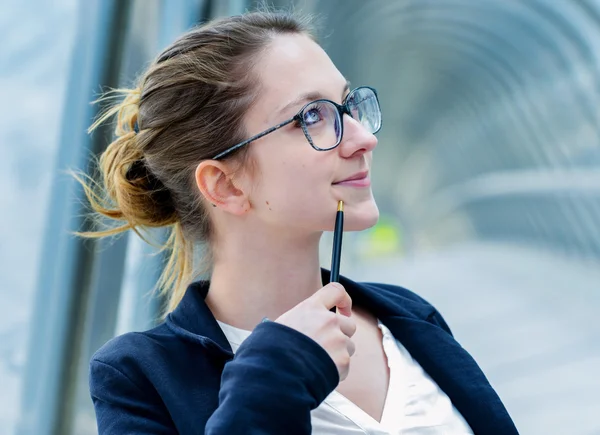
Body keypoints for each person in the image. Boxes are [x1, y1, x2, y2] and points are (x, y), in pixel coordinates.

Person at [81, 10, 519, 435]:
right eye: (312, 116)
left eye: (347, 106)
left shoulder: (408, 317)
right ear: (225, 185)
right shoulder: (142, 378)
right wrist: (274, 377)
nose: (365, 138)